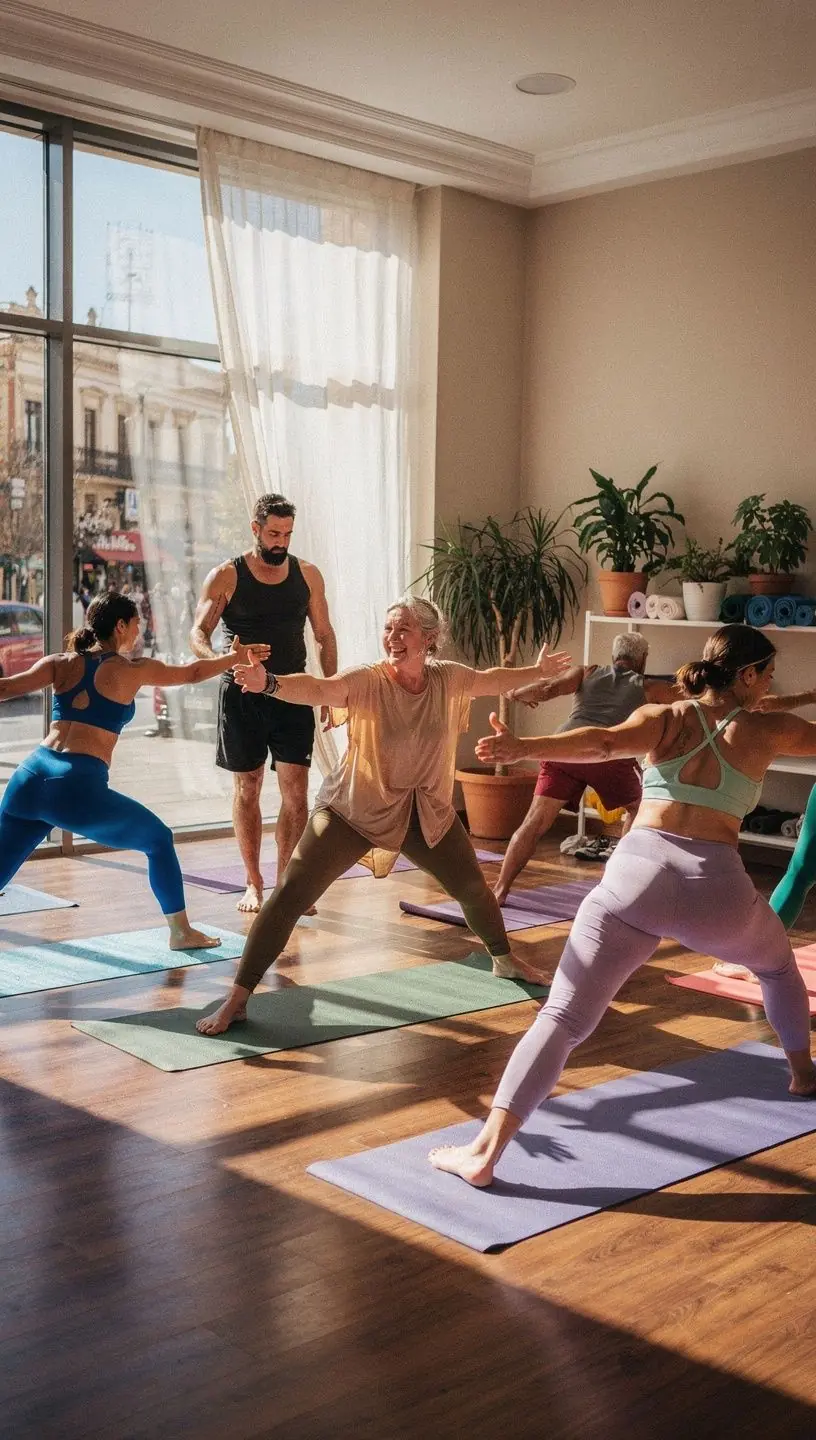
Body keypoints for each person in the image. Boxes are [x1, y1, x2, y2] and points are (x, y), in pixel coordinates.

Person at [428, 624, 816, 1188]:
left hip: (636, 883)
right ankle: (802, 1074)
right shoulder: (769, 729)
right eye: (768, 675)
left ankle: (485, 1153)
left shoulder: (667, 717)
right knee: (777, 965)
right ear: (749, 674)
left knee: (562, 1017)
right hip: (720, 893)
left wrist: (523, 748)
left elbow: (603, 742)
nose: (769, 686)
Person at [194, 596, 572, 1036]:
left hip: (424, 810)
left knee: (473, 888)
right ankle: (238, 999)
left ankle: (504, 961)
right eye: (389, 628)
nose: (393, 638)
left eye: (404, 630)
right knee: (290, 895)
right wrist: (269, 683)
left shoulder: (448, 678)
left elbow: (492, 679)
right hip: (353, 809)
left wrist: (539, 673)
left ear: (429, 639)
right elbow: (320, 688)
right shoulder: (368, 681)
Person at [0, 591, 269, 950]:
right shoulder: (131, 670)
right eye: (137, 622)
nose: (140, 629)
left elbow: (3, 688)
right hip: (74, 784)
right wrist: (233, 657)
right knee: (158, 840)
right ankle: (180, 932)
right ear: (120, 625)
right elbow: (191, 673)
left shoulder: (59, 662)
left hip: (30, 778)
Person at [190, 493, 338, 915]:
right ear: (255, 529)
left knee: (296, 791)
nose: (280, 542)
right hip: (242, 696)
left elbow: (325, 636)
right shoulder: (226, 577)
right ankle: (253, 882)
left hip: (292, 692)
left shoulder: (307, 575)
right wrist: (226, 658)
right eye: (273, 533)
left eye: (287, 534)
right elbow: (198, 635)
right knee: (249, 787)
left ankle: (284, 886)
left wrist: (329, 690)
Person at [494, 632, 678, 903]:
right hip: (607, 755)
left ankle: (500, 890)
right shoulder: (649, 686)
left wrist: (518, 693)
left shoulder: (586, 672)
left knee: (534, 822)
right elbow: (695, 703)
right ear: (643, 659)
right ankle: (613, 887)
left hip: (564, 748)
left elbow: (546, 689)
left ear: (614, 656)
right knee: (640, 808)